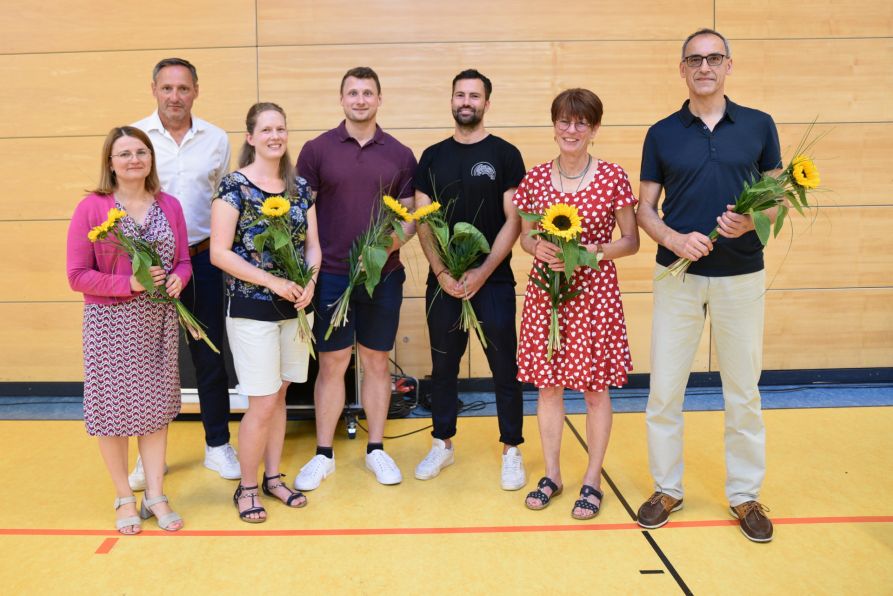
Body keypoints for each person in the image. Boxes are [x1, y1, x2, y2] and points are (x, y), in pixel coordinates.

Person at [635, 28, 781, 543]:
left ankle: (745, 496)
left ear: (728, 65)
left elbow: (778, 200)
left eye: (713, 58)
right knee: (664, 391)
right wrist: (673, 238)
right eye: (694, 59)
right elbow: (645, 210)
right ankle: (666, 489)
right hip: (678, 276)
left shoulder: (760, 126)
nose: (704, 67)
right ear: (682, 69)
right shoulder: (662, 132)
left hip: (742, 274)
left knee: (743, 392)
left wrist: (751, 220)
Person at [514, 89, 639, 519]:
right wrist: (538, 249)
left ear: (594, 129)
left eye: (581, 123)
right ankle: (552, 474)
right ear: (554, 126)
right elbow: (527, 235)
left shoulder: (613, 177)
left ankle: (592, 478)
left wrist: (593, 251)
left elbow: (631, 240)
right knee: (548, 388)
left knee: (594, 389)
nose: (571, 130)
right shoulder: (533, 180)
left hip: (594, 297)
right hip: (547, 295)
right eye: (564, 122)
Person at [294, 66, 417, 489]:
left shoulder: (400, 154)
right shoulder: (316, 150)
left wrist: (380, 252)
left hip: (383, 277)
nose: (360, 99)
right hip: (330, 277)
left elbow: (408, 221)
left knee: (376, 361)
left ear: (379, 99)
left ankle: (377, 450)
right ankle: (323, 454)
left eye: (368, 93)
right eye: (353, 93)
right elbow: (302, 213)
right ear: (341, 99)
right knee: (332, 364)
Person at [67, 126, 189, 534]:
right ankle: (123, 495)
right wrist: (129, 284)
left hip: (158, 322)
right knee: (113, 413)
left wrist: (178, 279)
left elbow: (184, 260)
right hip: (110, 326)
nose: (134, 159)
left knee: (155, 411)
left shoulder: (169, 205)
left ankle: (155, 494)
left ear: (151, 159)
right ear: (110, 163)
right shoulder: (92, 208)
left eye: (141, 151)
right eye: (124, 154)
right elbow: (77, 275)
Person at [412, 69, 526, 489]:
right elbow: (423, 220)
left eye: (474, 96)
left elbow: (513, 221)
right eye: (459, 94)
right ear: (452, 101)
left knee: (504, 368)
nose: (466, 101)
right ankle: (442, 443)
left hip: (493, 281)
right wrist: (442, 270)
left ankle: (512, 449)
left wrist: (482, 271)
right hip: (443, 281)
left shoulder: (505, 154)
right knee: (443, 367)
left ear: (487, 103)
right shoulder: (432, 156)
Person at [131, 57, 238, 489]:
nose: (175, 96)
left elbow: (224, 200)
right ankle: (148, 459)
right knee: (147, 362)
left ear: (196, 90)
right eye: (167, 88)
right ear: (154, 89)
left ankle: (217, 445)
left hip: (201, 260)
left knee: (209, 355)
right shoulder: (136, 136)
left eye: (184, 88)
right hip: (148, 266)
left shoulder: (216, 139)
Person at [210, 102, 320, 522]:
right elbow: (220, 253)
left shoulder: (300, 187)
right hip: (251, 308)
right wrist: (272, 281)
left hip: (295, 311)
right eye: (267, 129)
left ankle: (274, 478)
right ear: (251, 137)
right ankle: (248, 486)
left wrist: (309, 281)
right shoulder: (233, 187)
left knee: (280, 397)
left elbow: (313, 245)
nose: (276, 135)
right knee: (260, 404)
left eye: (282, 128)